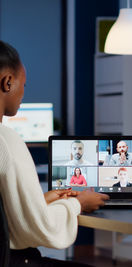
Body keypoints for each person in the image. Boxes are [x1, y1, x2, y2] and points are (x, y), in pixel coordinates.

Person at [0, 40, 109, 267]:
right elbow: (42, 228)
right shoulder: (7, 140)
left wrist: (39, 201)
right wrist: (79, 203)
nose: (23, 93)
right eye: (24, 85)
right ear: (8, 82)